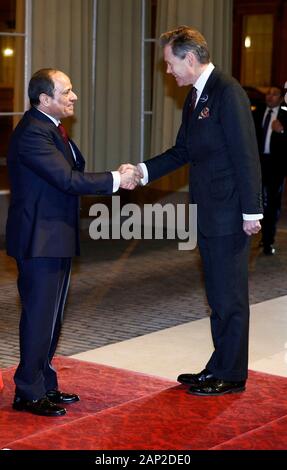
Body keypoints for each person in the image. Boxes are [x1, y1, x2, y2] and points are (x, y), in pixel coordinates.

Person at [133, 26, 263, 396]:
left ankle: (232, 374)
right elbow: (182, 151)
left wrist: (252, 211)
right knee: (217, 295)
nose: (168, 71)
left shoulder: (227, 92)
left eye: (170, 64)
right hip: (208, 212)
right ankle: (219, 365)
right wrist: (141, 172)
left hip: (229, 213)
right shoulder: (196, 97)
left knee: (229, 296)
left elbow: (246, 154)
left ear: (190, 58)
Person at [6, 68, 140, 416]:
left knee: (52, 318)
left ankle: (43, 383)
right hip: (39, 240)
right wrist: (116, 178)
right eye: (66, 91)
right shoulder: (34, 133)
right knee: (39, 316)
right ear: (44, 99)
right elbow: (67, 179)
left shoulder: (51, 129)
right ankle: (28, 392)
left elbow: (71, 174)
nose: (74, 96)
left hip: (54, 236)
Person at [253, 86, 287, 255]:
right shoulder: (257, 112)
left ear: (281, 98)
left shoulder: (285, 115)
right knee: (257, 201)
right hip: (258, 164)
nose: (270, 96)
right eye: (268, 93)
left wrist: (282, 131)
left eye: (275, 94)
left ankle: (268, 240)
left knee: (272, 203)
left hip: (276, 165)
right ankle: (258, 234)